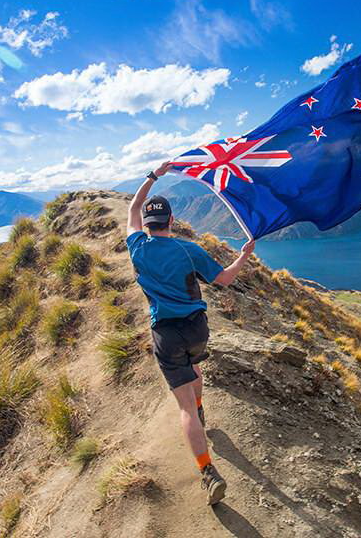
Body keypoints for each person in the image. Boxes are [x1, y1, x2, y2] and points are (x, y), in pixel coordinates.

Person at [126, 161, 256, 505]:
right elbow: (224, 279)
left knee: (182, 406)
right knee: (194, 365)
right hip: (197, 329)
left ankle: (208, 471)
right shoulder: (190, 249)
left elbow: (134, 207)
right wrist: (243, 256)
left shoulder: (137, 246)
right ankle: (199, 408)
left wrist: (154, 175)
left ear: (147, 224)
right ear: (171, 220)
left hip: (165, 334)